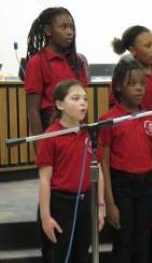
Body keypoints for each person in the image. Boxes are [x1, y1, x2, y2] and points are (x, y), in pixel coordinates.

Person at [100, 57, 152, 263]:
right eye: (132, 84)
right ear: (118, 86)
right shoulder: (109, 120)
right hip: (121, 186)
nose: (139, 89)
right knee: (124, 242)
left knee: (144, 242)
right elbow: (105, 164)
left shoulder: (151, 117)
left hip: (147, 187)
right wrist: (109, 202)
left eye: (142, 84)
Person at [37, 79, 105, 263]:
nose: (83, 103)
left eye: (85, 98)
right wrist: (46, 217)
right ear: (60, 104)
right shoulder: (51, 136)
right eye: (75, 98)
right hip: (60, 205)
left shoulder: (89, 134)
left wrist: (100, 206)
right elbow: (44, 179)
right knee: (58, 256)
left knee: (80, 256)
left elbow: (98, 171)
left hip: (85, 203)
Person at [23, 7, 88, 135]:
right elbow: (33, 110)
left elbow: (83, 103)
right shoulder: (37, 62)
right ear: (48, 30)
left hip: (77, 127)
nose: (70, 32)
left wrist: (87, 136)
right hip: (52, 127)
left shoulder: (77, 61)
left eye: (71, 27)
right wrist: (40, 146)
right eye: (63, 27)